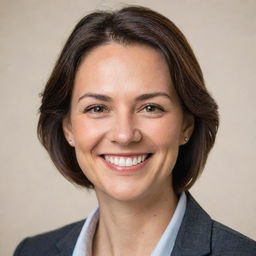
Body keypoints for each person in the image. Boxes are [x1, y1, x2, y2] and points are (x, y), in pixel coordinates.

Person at [14, 5, 256, 256]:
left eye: (150, 107)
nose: (124, 135)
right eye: (97, 108)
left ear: (187, 124)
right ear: (68, 127)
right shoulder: (31, 251)